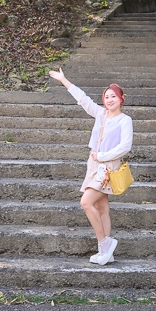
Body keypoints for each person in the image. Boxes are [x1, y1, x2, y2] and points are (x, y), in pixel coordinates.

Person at [48, 66, 133, 266]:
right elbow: (83, 99)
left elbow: (125, 146)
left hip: (108, 167)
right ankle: (106, 253)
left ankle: (105, 243)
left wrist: (103, 155)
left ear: (121, 99)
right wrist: (64, 81)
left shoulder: (125, 120)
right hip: (94, 165)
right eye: (106, 97)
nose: (109, 100)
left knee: (86, 202)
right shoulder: (100, 114)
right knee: (102, 206)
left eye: (113, 96)